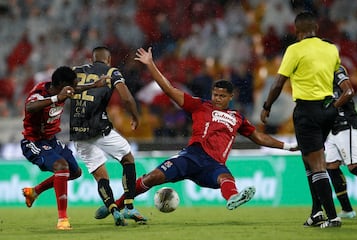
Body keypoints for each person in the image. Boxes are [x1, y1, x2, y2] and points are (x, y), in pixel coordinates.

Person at [93, 47, 297, 220]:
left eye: (221, 96)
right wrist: (150, 64)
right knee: (153, 177)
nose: (217, 98)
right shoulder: (200, 105)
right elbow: (169, 89)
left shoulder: (238, 118)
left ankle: (234, 198)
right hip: (190, 157)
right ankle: (118, 206)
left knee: (226, 177)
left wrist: (287, 146)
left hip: (213, 164)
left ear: (230, 97)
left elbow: (259, 137)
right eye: (215, 94)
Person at [260, 11, 343, 228]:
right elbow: (335, 76)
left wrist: (267, 106)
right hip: (328, 109)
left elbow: (278, 83)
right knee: (309, 159)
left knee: (316, 164)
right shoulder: (330, 48)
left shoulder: (295, 50)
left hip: (307, 111)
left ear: (297, 31)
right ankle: (316, 212)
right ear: (316, 28)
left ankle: (333, 217)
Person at [21, 66, 105, 230]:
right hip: (34, 142)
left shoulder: (64, 90)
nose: (73, 89)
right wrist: (56, 98)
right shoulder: (40, 93)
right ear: (60, 85)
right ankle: (62, 220)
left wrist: (94, 85)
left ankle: (34, 192)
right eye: (71, 85)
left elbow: (75, 90)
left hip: (52, 141)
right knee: (62, 166)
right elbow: (30, 107)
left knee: (75, 172)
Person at [70, 46, 146, 226]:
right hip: (99, 128)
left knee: (100, 176)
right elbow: (126, 98)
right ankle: (128, 206)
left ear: (91, 59)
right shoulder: (112, 71)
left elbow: (62, 91)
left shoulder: (75, 71)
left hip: (78, 132)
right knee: (127, 159)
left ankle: (113, 210)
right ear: (109, 59)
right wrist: (135, 116)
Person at [325, 65, 357, 219]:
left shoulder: (336, 69)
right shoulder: (317, 76)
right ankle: (347, 209)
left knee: (354, 166)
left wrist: (332, 107)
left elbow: (349, 91)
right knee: (331, 166)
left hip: (347, 123)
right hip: (332, 129)